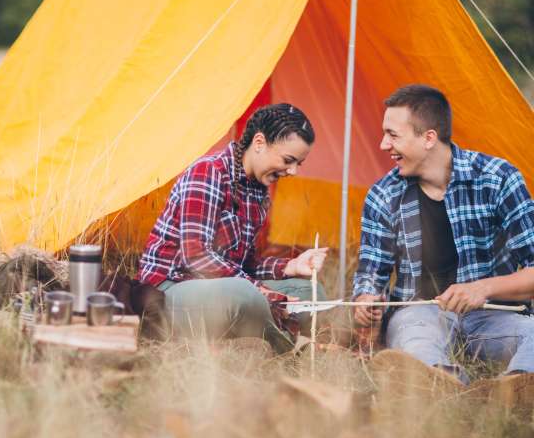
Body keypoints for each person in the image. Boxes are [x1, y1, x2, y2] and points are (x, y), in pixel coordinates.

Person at [352, 84, 534, 385]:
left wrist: (482, 288)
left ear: (429, 138)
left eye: (393, 135)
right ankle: (442, 385)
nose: (383, 145)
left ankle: (515, 390)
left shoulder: (499, 179)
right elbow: (371, 273)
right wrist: (366, 298)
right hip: (420, 314)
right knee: (416, 344)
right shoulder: (382, 195)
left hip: (493, 316)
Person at [137, 103, 328, 352]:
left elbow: (245, 266)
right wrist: (263, 293)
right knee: (244, 294)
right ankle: (289, 351)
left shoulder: (259, 192)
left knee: (311, 292)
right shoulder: (209, 172)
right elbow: (196, 257)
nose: (292, 171)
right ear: (259, 143)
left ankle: (252, 339)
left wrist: (290, 266)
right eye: (288, 160)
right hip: (168, 291)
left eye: (298, 164)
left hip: (224, 289)